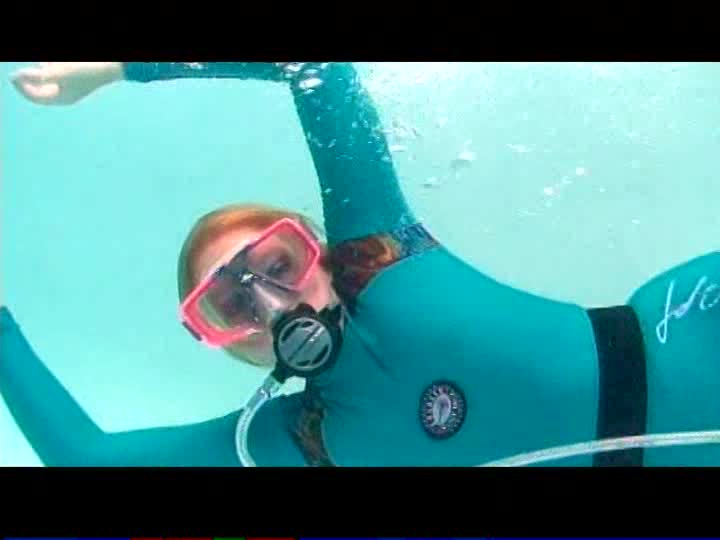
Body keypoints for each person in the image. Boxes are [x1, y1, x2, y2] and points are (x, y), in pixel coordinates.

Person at [3, 61, 720, 467]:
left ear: (320, 250)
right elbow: (83, 459)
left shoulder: (382, 262)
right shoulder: (294, 441)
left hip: (690, 331)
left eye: (276, 263)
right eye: (231, 305)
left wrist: (117, 70)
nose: (272, 304)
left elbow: (311, 65)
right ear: (223, 343)